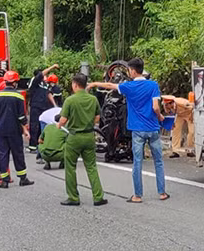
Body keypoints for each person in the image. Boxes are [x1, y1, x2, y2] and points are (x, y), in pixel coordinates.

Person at [89, 57, 168, 203]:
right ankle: (162, 193)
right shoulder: (153, 85)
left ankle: (137, 195)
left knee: (137, 162)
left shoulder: (128, 86)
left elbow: (109, 85)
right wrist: (160, 116)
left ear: (132, 71)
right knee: (158, 161)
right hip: (153, 128)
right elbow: (156, 107)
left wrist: (93, 84)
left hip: (137, 130)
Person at [57, 73, 107, 206]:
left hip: (74, 137)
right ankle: (98, 197)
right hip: (89, 136)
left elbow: (63, 119)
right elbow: (97, 118)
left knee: (70, 167)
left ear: (75, 85)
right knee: (91, 167)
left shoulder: (70, 100)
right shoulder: (93, 99)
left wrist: (59, 125)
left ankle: (73, 197)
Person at [0, 70, 34, 189]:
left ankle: (4, 180)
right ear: (15, 83)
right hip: (14, 130)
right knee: (18, 153)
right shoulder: (18, 96)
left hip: (1, 129)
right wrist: (25, 130)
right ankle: (23, 178)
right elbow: (21, 116)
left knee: (3, 154)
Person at [28, 64, 59, 156]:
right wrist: (52, 67)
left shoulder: (45, 84)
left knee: (44, 126)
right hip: (36, 107)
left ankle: (42, 144)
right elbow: (41, 74)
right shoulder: (34, 82)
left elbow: (49, 94)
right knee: (34, 126)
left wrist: (55, 105)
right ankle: (32, 146)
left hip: (45, 108)